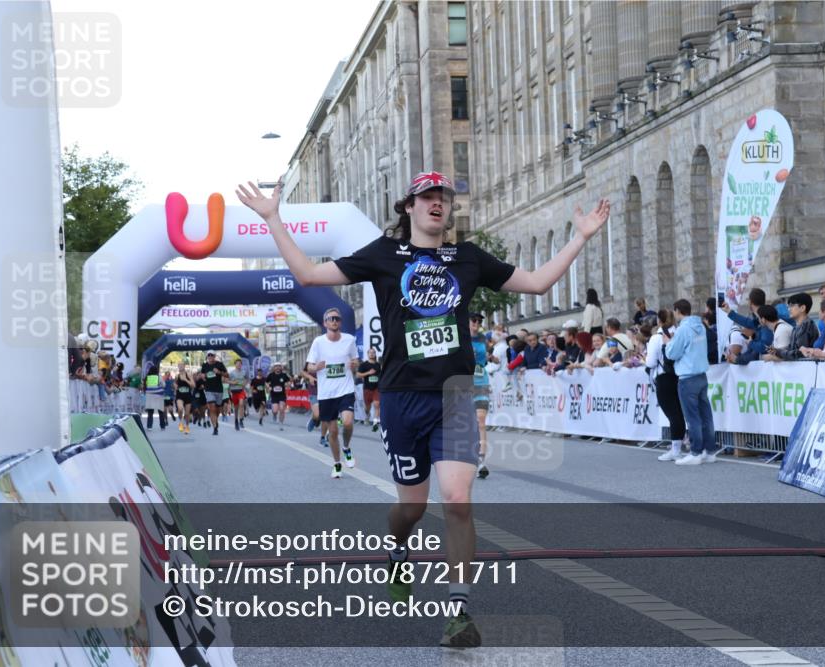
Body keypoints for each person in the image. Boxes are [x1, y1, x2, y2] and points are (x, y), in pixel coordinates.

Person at [237, 171, 609, 648]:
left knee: (456, 499)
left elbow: (536, 283)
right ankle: (397, 549)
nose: (437, 203)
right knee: (410, 509)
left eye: (444, 198)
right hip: (401, 396)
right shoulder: (384, 254)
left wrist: (580, 237)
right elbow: (309, 275)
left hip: (453, 394)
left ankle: (458, 613)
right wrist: (273, 219)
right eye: (427, 196)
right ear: (408, 206)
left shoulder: (467, 258)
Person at [664, 299, 718, 465]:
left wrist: (668, 343)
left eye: (674, 312)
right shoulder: (700, 325)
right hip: (701, 374)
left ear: (678, 311)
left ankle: (696, 452)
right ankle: (710, 451)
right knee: (706, 416)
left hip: (687, 377)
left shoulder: (683, 329)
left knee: (692, 417)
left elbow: (672, 354)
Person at [307, 308, 359, 477]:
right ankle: (337, 464)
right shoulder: (318, 342)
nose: (334, 321)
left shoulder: (349, 340)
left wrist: (354, 365)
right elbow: (309, 367)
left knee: (348, 422)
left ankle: (347, 447)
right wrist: (316, 367)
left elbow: (356, 360)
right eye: (331, 318)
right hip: (327, 393)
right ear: (325, 323)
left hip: (345, 389)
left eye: (337, 318)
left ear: (340, 322)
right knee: (333, 431)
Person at [645, 308, 685, 461]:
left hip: (664, 377)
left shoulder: (657, 337)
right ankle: (677, 447)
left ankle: (676, 450)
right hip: (679, 375)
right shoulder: (679, 333)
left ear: (659, 321)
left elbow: (650, 362)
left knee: (672, 414)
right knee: (678, 413)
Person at [469, 313, 494, 479]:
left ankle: (481, 461)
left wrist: (489, 358)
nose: (477, 323)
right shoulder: (460, 337)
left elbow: (484, 361)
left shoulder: (483, 339)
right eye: (474, 320)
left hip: (481, 381)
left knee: (481, 421)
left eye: (479, 321)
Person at [765, 292, 819, 361]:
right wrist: (776, 350)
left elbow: (799, 353)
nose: (788, 309)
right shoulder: (797, 327)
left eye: (792, 306)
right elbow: (792, 348)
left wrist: (778, 352)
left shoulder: (807, 325)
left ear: (802, 308)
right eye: (788, 306)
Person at [200, 351, 228, 435]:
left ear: (214, 356)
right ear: (207, 357)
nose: (210, 356)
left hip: (219, 390)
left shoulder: (219, 364)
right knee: (212, 408)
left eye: (211, 355)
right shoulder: (204, 365)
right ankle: (215, 428)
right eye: (208, 355)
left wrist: (219, 372)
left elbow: (227, 375)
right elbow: (202, 375)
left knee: (217, 410)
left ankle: (216, 420)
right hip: (209, 390)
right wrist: (203, 376)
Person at [357, 349, 382, 431]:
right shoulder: (364, 365)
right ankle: (367, 416)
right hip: (367, 388)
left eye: (373, 352)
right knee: (367, 407)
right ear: (367, 354)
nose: (371, 354)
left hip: (376, 388)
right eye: (370, 353)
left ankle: (375, 423)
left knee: (377, 404)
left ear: (375, 354)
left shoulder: (378, 365)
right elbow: (358, 375)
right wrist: (368, 373)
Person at [265, 362, 292, 430]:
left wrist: (288, 384)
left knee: (282, 409)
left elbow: (289, 381)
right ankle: (274, 415)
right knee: (275, 410)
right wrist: (268, 387)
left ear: (281, 367)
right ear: (274, 368)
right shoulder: (271, 375)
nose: (277, 367)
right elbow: (266, 382)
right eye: (276, 366)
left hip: (282, 395)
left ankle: (281, 424)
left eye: (279, 366)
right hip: (274, 395)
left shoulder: (284, 375)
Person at [143, 365, 168, 431]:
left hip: (150, 396)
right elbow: (164, 385)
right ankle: (162, 426)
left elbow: (145, 386)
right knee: (160, 412)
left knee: (150, 412)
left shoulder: (147, 377)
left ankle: (149, 426)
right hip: (158, 395)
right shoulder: (158, 377)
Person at [174, 362, 195, 435]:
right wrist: (175, 386)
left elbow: (193, 385)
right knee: (180, 409)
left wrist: (185, 379)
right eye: (179, 366)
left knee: (187, 414)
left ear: (184, 366)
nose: (180, 367)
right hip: (179, 395)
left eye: (181, 365)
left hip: (187, 395)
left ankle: (187, 426)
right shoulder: (177, 376)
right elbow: (175, 383)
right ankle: (181, 422)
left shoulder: (188, 375)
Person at [228, 358, 249, 431]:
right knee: (236, 409)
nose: (239, 365)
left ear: (241, 365)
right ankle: (236, 421)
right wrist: (232, 383)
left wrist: (245, 383)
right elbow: (226, 380)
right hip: (234, 391)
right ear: (235, 364)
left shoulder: (244, 372)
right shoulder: (231, 373)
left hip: (241, 390)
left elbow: (247, 379)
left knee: (241, 404)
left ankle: (241, 420)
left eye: (240, 364)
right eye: (237, 364)